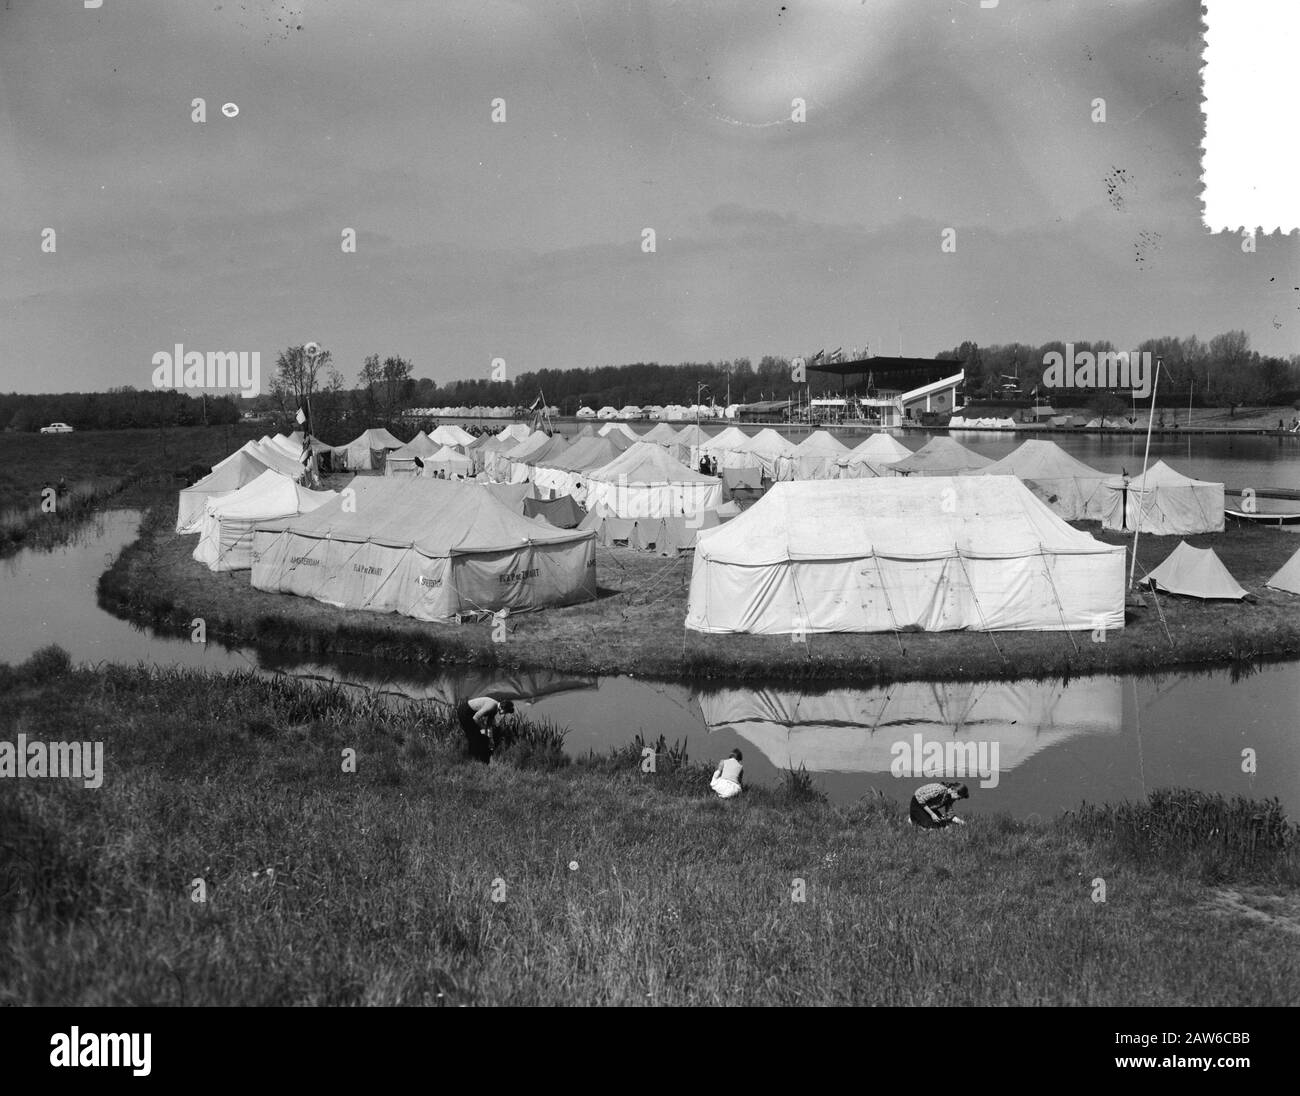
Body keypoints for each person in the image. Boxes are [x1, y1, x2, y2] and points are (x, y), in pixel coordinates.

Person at [456, 695, 515, 764]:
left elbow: (489, 724)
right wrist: (482, 729)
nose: (504, 714)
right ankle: (473, 758)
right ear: (502, 707)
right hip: (464, 711)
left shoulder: (495, 709)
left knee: (482, 735)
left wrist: (490, 737)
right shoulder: (491, 706)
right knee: (474, 735)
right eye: (505, 712)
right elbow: (476, 717)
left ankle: (480, 758)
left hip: (470, 713)